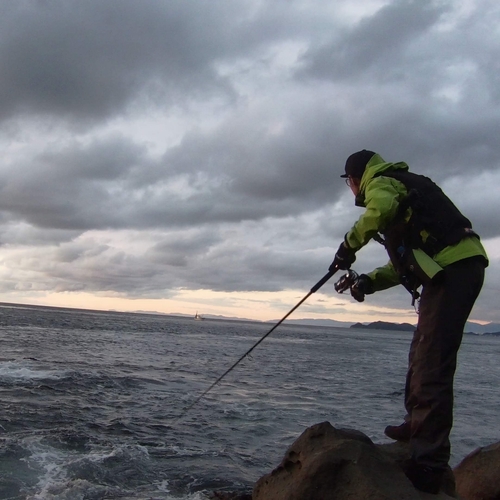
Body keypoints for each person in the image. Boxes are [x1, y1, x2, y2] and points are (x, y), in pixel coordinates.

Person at [330, 150, 488, 494]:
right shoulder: (403, 187)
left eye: (349, 183)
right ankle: (415, 426)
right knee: (421, 354)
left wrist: (347, 246)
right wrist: (369, 281)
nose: (352, 189)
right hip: (451, 268)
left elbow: (380, 210)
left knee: (432, 363)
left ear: (354, 179)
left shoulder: (382, 185)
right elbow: (410, 260)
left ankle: (429, 465)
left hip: (454, 270)